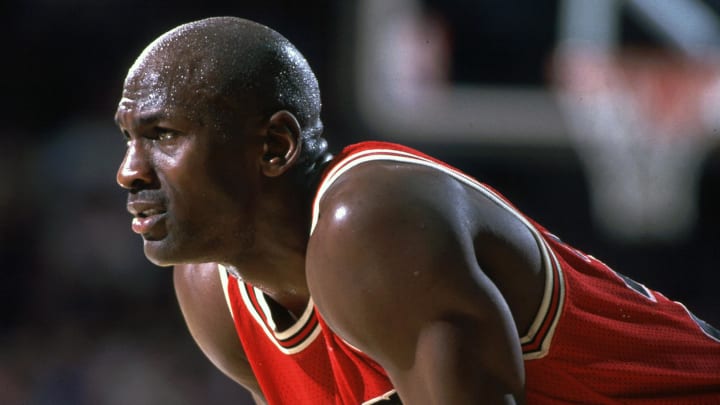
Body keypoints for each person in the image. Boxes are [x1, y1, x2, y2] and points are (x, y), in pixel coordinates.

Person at [114, 16, 720, 405]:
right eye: (128, 139)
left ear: (275, 146)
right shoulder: (212, 291)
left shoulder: (373, 219)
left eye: (163, 135)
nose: (130, 171)